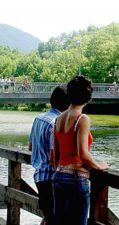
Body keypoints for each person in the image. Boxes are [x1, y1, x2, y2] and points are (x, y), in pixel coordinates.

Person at [52, 75, 108, 225]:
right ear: (88, 97)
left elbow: (54, 155)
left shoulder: (58, 118)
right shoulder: (82, 119)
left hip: (58, 177)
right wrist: (98, 165)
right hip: (76, 179)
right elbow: (83, 154)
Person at [29, 86, 70, 225]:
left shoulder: (38, 118)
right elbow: (54, 157)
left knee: (49, 218)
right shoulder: (55, 122)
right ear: (68, 103)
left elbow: (30, 147)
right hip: (51, 178)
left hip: (39, 175)